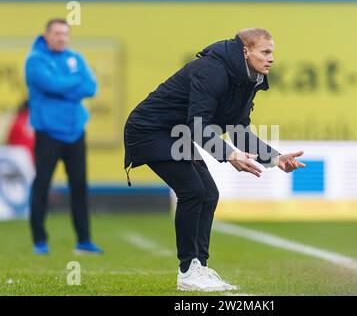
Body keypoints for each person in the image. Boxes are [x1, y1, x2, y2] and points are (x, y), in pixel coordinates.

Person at [124, 28, 305, 291]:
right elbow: (198, 125)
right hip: (149, 130)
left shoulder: (249, 79)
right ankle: (188, 271)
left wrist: (276, 159)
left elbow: (238, 129)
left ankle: (199, 268)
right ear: (246, 51)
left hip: (177, 133)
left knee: (209, 193)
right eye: (265, 52)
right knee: (194, 191)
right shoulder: (212, 70)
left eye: (272, 52)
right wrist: (228, 154)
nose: (271, 58)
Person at [25, 18, 102, 255]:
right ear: (46, 35)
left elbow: (90, 87)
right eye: (57, 33)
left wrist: (66, 86)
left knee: (79, 186)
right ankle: (39, 240)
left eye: (65, 34)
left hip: (75, 132)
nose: (61, 38)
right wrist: (72, 84)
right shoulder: (35, 60)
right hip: (48, 132)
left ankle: (84, 240)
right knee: (42, 184)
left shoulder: (75, 57)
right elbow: (51, 84)